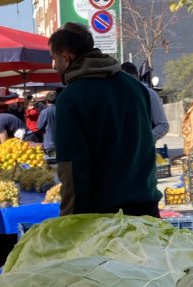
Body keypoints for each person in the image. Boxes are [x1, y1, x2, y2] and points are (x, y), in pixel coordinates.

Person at [49, 23, 159, 216]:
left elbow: (73, 169)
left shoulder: (71, 98)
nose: (53, 65)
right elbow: (147, 144)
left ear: (66, 58)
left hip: (104, 218)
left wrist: (69, 221)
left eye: (54, 58)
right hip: (147, 209)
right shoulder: (136, 87)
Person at [121, 61, 170, 142]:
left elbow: (163, 126)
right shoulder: (117, 96)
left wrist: (143, 140)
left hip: (144, 151)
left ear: (135, 77)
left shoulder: (149, 94)